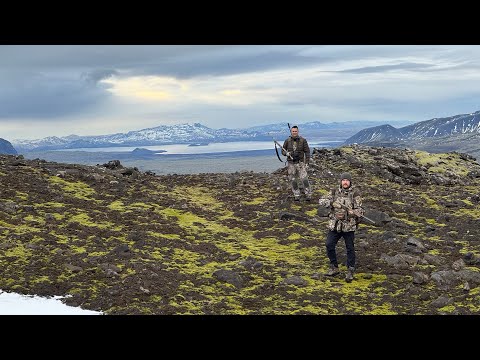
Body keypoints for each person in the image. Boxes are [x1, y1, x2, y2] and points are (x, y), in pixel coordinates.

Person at [318, 172, 364, 282]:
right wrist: (332, 203)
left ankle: (350, 270)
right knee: (329, 245)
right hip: (335, 225)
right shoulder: (334, 191)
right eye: (343, 180)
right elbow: (321, 201)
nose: (345, 182)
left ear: (350, 182)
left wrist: (353, 212)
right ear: (341, 181)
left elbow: (361, 211)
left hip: (348, 226)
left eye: (347, 180)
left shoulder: (355, 193)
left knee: (350, 248)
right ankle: (334, 267)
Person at [281, 125, 311, 201]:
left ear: (298, 131)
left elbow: (307, 151)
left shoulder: (303, 140)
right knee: (293, 180)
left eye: (295, 131)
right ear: (291, 132)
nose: (294, 132)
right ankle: (296, 194)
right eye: (293, 131)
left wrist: (307, 162)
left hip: (301, 163)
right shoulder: (287, 141)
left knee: (304, 179)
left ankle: (308, 194)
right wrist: (286, 153)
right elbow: (283, 151)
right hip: (291, 164)